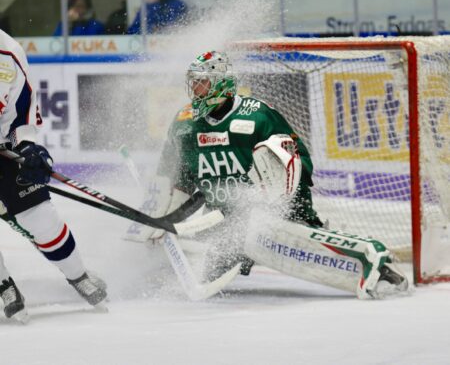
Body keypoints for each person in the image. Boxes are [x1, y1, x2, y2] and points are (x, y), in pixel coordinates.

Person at [141, 51, 408, 300]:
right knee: (210, 270)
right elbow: (179, 176)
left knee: (300, 249)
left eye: (203, 84)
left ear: (222, 84)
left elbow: (298, 159)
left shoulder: (257, 114)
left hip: (275, 213)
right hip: (225, 223)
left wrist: (283, 201)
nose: (197, 90)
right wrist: (164, 217)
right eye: (194, 83)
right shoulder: (184, 123)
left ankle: (377, 266)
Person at [0, 28, 107, 321]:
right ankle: (4, 284)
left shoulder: (7, 51)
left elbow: (22, 110)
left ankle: (78, 275)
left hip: (2, 148)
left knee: (40, 218)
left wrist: (28, 145)